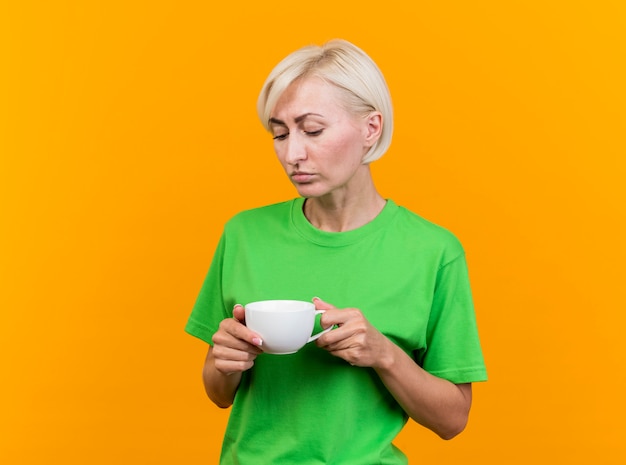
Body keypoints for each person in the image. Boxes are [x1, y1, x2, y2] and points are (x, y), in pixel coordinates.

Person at [185, 39, 487, 464]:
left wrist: (383, 354)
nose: (292, 153)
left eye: (312, 130)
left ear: (370, 128)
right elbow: (218, 394)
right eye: (279, 133)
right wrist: (225, 361)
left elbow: (452, 420)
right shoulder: (244, 235)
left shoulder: (434, 251)